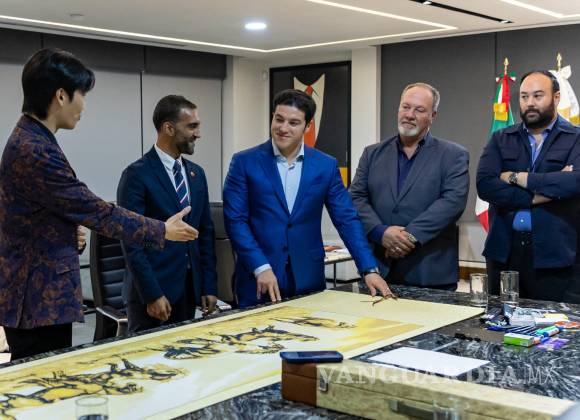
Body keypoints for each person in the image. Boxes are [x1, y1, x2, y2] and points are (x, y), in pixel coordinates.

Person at [0, 48, 197, 360]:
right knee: (45, 386)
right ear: (61, 96)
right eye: (82, 94)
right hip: (37, 300)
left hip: (38, 296)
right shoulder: (34, 149)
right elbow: (95, 210)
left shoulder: (33, 138)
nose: (84, 105)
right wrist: (161, 230)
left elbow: (43, 213)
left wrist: (67, 232)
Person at [223, 89, 393, 308]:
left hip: (308, 277)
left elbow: (346, 219)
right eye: (279, 119)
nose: (283, 128)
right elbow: (235, 221)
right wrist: (260, 266)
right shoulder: (244, 162)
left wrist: (368, 268)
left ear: (308, 126)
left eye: (293, 123)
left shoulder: (325, 165)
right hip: (258, 278)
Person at [350, 82, 469, 290]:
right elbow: (355, 197)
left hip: (430, 273)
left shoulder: (453, 155)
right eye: (405, 107)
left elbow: (452, 202)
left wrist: (409, 237)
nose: (409, 115)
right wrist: (381, 232)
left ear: (433, 116)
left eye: (419, 109)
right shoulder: (372, 154)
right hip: (378, 270)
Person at [477, 70, 580, 303]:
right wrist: (540, 194)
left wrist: (516, 177)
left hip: (557, 258)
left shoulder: (575, 138)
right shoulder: (501, 138)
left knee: (554, 322)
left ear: (556, 97)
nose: (530, 103)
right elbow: (485, 185)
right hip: (504, 254)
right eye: (524, 96)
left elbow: (574, 182)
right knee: (499, 320)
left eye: (538, 95)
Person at [117, 95, 218, 332]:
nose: (198, 134)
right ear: (169, 128)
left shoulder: (197, 174)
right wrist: (152, 294)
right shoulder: (136, 175)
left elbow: (205, 233)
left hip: (188, 290)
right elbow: (132, 242)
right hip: (152, 294)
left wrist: (209, 286)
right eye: (192, 126)